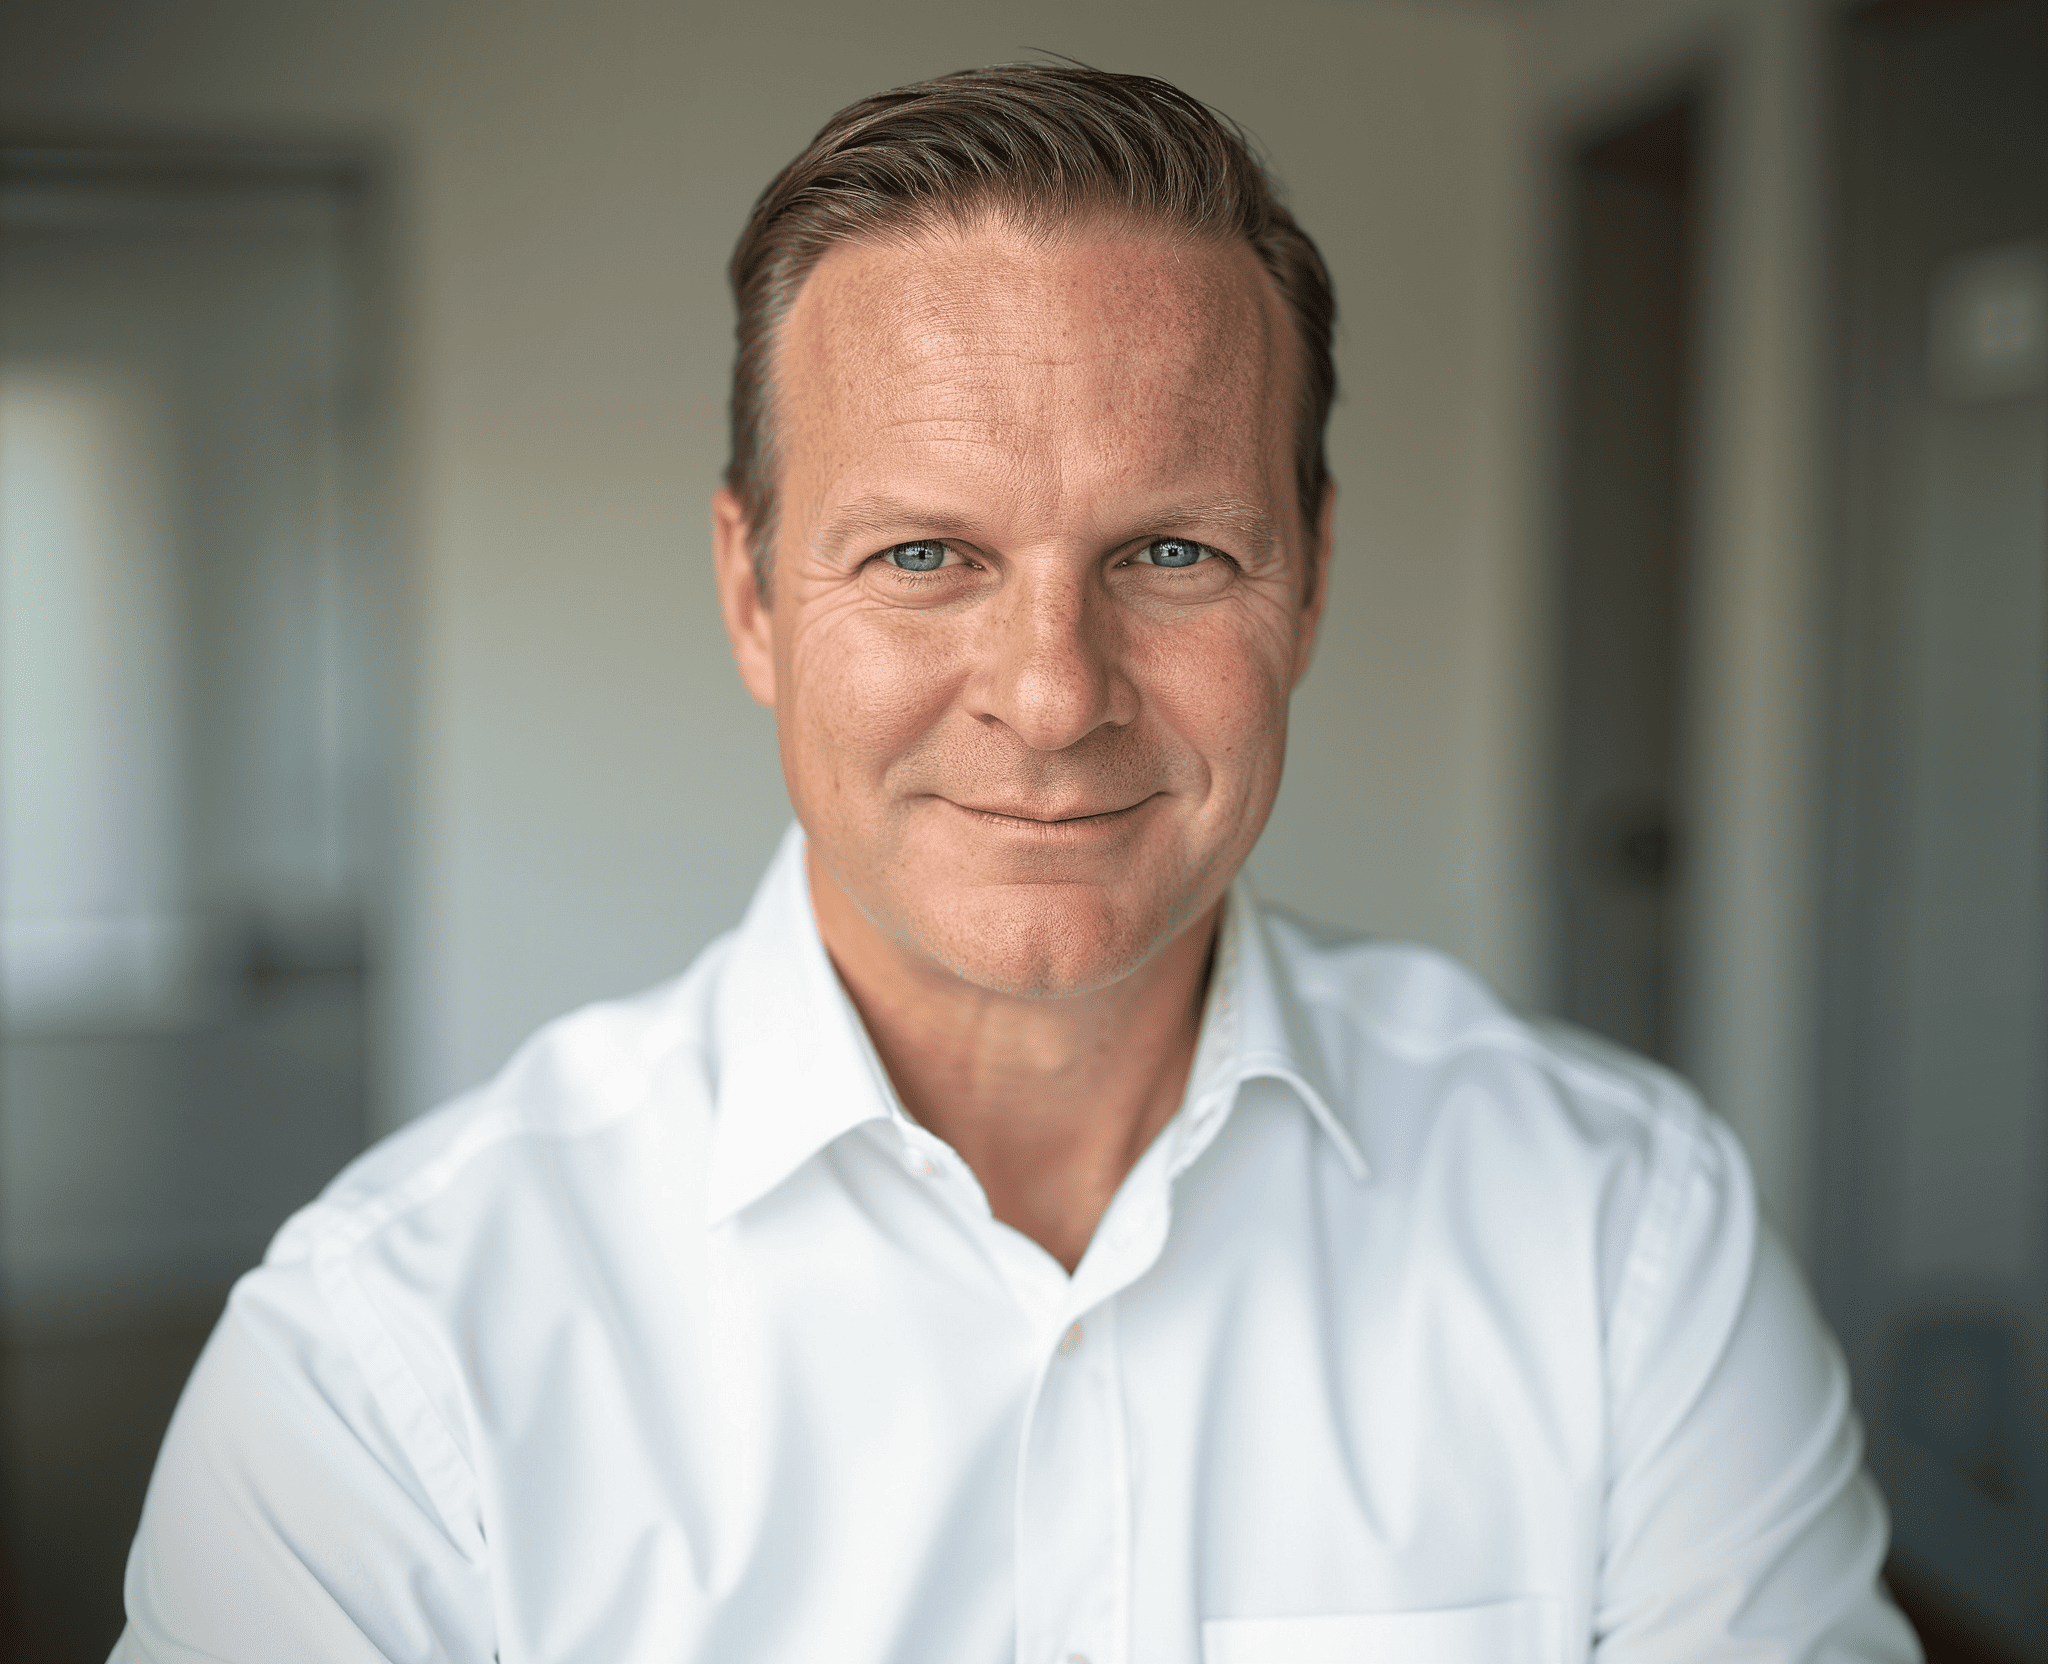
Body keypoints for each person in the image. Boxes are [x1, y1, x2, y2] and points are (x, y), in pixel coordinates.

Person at [112, 65, 1920, 1663]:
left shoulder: (1624, 1246)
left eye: (1172, 555)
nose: (1053, 698)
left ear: (1311, 580)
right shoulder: (387, 1362)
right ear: (752, 594)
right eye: (922, 557)